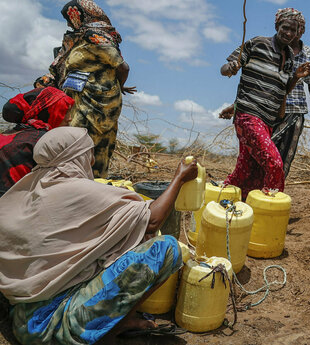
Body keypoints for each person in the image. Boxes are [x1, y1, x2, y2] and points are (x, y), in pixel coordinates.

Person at [0, 127, 199, 343]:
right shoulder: (75, 189)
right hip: (55, 325)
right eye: (89, 153)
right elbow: (152, 220)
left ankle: (115, 322)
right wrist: (179, 177)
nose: (92, 160)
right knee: (165, 248)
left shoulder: (27, 189)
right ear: (75, 156)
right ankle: (112, 329)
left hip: (22, 320)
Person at [220, 8, 310, 177]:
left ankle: (272, 194)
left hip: (294, 111)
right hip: (267, 113)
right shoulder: (266, 47)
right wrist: (236, 106)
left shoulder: (308, 54)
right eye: (288, 27)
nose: (295, 32)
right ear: (278, 26)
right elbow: (259, 86)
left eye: (298, 28)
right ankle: (254, 193)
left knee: (283, 160)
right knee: (260, 156)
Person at [48, 0, 137, 178]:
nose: (68, 23)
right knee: (85, 145)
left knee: (85, 144)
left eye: (69, 18)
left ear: (79, 15)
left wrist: (121, 85)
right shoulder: (83, 37)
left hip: (95, 103)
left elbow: (122, 66)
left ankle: (86, 189)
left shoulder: (93, 35)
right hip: (83, 100)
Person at [0, 87, 75, 196]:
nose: (69, 118)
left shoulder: (8, 134)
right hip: (16, 207)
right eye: (63, 111)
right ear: (46, 112)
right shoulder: (45, 141)